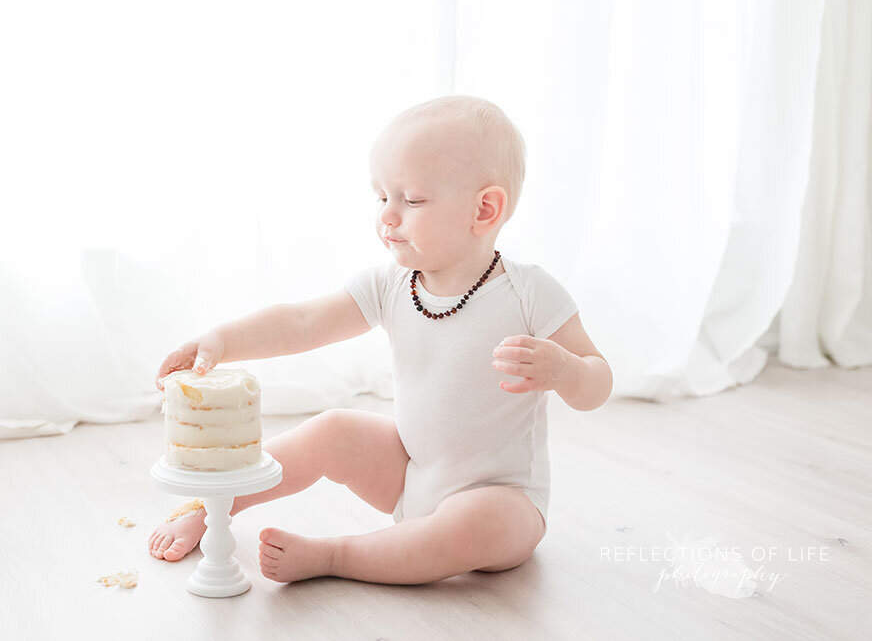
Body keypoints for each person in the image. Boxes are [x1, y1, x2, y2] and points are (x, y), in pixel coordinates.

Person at [148, 95, 612, 584]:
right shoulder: (392, 282)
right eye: (381, 197)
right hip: (411, 475)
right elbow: (304, 322)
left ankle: (337, 556)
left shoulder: (529, 292)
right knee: (333, 429)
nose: (388, 216)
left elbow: (597, 382)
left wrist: (565, 370)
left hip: (503, 499)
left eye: (410, 200)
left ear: (485, 209)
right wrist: (221, 341)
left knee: (476, 525)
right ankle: (214, 509)